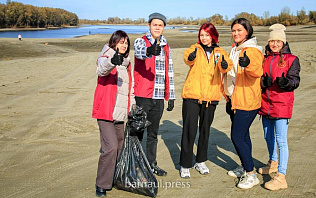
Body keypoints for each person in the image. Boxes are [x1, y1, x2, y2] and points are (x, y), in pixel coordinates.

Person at [179, 22, 233, 178]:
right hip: (192, 95)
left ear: (213, 36)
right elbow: (187, 58)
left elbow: (227, 65)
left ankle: (200, 161)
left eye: (207, 35)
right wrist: (190, 58)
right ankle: (185, 164)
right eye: (201, 35)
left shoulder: (220, 51)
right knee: (189, 131)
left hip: (211, 97)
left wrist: (224, 65)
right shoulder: (194, 49)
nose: (204, 38)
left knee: (205, 130)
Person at [92, 30, 135, 197]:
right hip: (105, 112)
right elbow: (101, 70)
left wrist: (132, 109)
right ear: (114, 42)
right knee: (110, 148)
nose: (124, 45)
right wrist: (112, 61)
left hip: (120, 113)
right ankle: (101, 184)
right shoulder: (106, 56)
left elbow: (130, 89)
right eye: (121, 42)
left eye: (126, 42)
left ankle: (114, 177)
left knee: (120, 147)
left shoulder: (127, 63)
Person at [258, 24, 300, 191]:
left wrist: (287, 83)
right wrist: (263, 82)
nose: (274, 44)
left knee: (281, 140)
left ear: (283, 42)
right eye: (272, 41)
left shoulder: (291, 59)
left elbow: (295, 79)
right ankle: (272, 162)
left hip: (282, 105)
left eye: (278, 41)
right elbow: (259, 78)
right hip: (265, 104)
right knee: (268, 136)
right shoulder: (265, 58)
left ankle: (281, 176)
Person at [133, 12, 175, 176]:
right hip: (143, 95)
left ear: (164, 27)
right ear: (149, 26)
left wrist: (170, 95)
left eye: (160, 25)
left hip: (158, 97)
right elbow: (139, 53)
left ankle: (151, 164)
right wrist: (150, 50)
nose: (157, 27)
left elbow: (169, 71)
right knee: (138, 132)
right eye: (154, 24)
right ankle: (134, 164)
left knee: (153, 134)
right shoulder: (140, 41)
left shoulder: (166, 45)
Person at [223, 18, 263, 189]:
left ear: (247, 31)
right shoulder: (235, 48)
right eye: (234, 30)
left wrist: (248, 66)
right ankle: (245, 166)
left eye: (239, 30)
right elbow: (230, 71)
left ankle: (251, 175)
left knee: (237, 137)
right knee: (244, 135)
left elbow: (257, 71)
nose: (236, 33)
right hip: (235, 99)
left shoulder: (251, 50)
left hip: (247, 101)